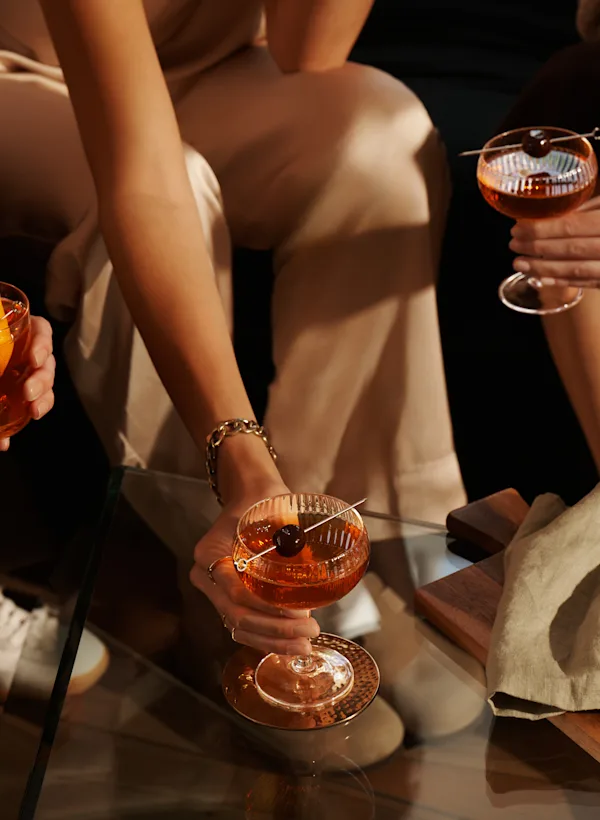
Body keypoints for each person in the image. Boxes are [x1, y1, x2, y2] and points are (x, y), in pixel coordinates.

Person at [0, 0, 466, 658]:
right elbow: (147, 181)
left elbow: (308, 51)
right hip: (25, 71)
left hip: (202, 68)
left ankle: (349, 538)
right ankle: (227, 562)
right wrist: (244, 464)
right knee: (177, 187)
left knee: (379, 137)